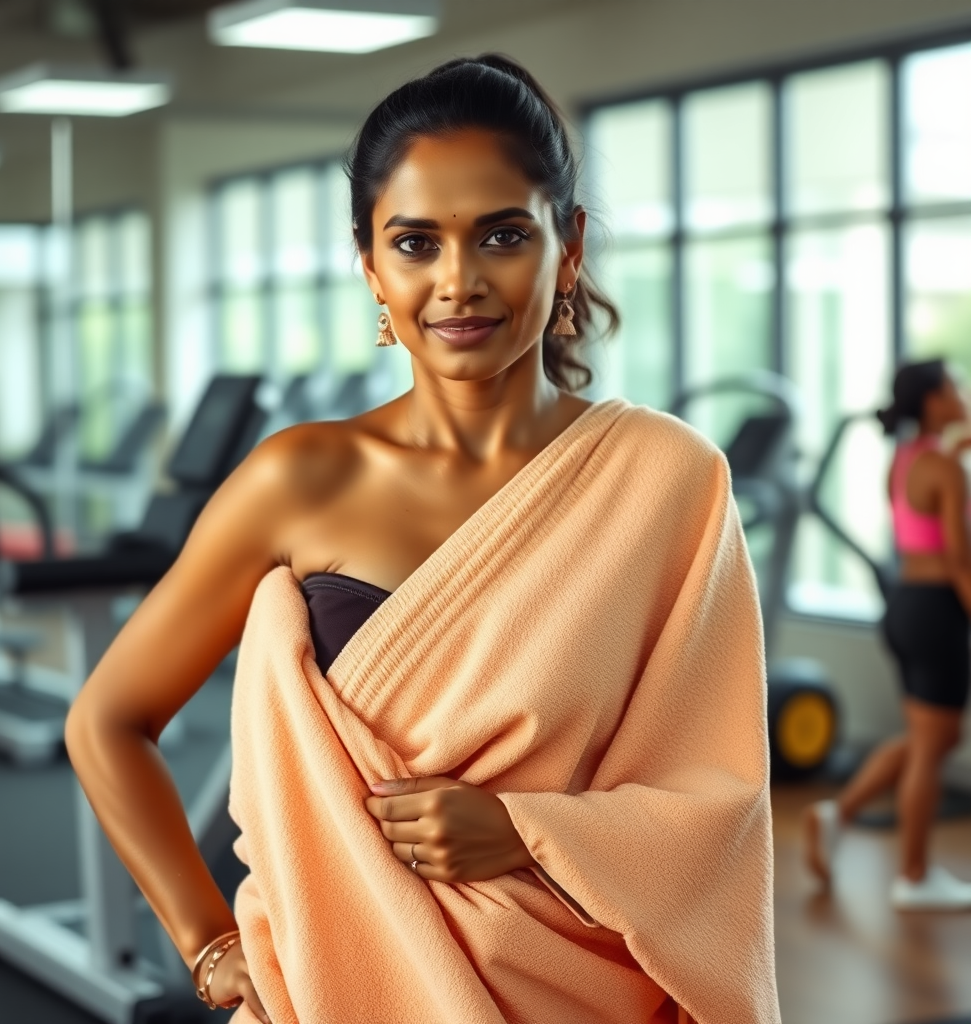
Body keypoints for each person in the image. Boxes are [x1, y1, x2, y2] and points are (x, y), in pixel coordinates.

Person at [64, 55, 779, 1024]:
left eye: (501, 234)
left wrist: (526, 831)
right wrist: (209, 945)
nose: (459, 282)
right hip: (320, 988)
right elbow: (106, 720)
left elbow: (716, 804)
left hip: (574, 990)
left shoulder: (670, 478)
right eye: (414, 242)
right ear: (369, 265)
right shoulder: (299, 478)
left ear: (566, 249)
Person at [805, 359, 971, 910]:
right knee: (932, 746)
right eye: (955, 385)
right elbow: (960, 562)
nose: (963, 391)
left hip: (903, 605)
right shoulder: (948, 470)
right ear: (932, 401)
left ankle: (839, 813)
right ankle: (915, 875)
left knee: (931, 737)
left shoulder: (904, 459)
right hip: (937, 607)